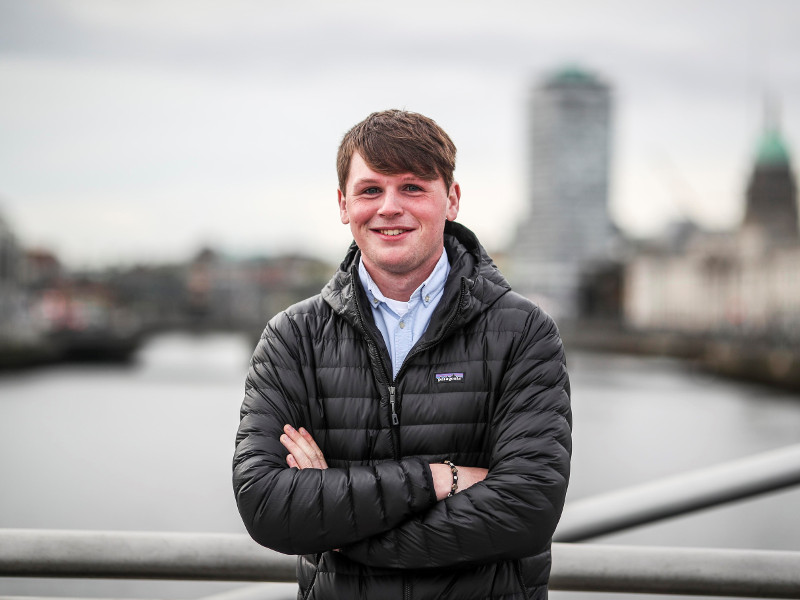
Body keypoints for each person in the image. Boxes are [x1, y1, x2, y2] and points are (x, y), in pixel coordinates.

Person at [233, 109, 572, 600]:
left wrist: (339, 527)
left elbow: (526, 510)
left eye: (412, 187)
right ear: (343, 205)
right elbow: (266, 506)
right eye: (371, 190)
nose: (389, 207)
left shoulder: (523, 332)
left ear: (451, 199)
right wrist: (441, 478)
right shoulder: (292, 337)